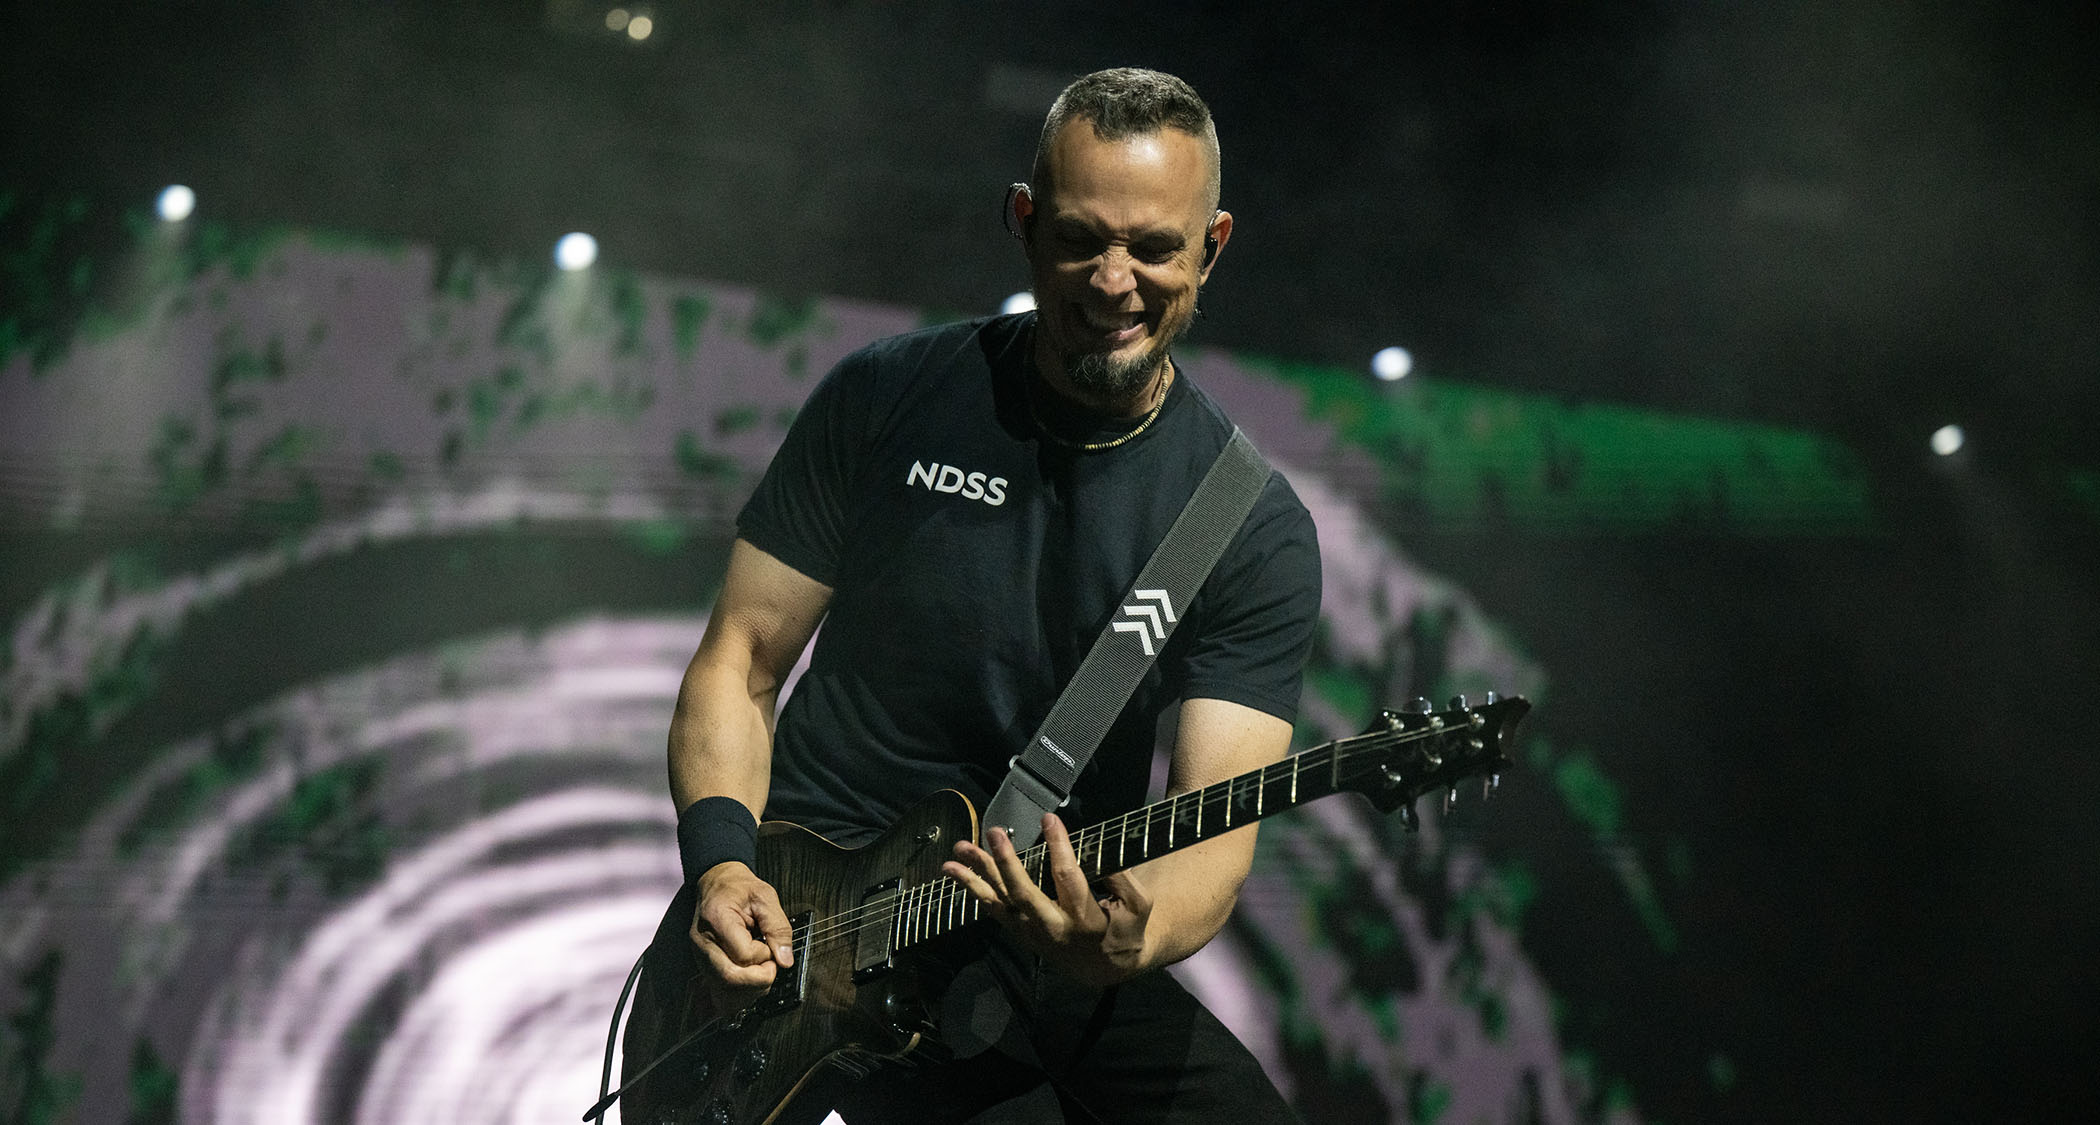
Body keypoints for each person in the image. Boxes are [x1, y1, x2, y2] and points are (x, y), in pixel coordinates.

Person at [666, 67, 1320, 1123]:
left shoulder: (1247, 523)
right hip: (808, 919)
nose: (1113, 282)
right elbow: (740, 658)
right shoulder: (888, 395)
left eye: (1153, 247)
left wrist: (1127, 940)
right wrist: (721, 868)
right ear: (1023, 224)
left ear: (1215, 245)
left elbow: (1209, 836)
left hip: (1042, 928)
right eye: (1079, 238)